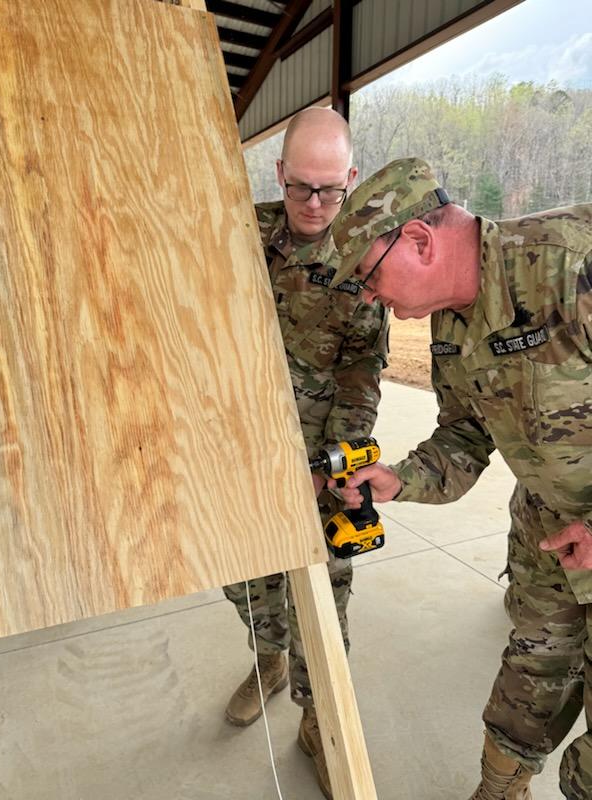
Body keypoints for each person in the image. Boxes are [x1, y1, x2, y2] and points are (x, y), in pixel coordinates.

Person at [327, 156, 592, 800]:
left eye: (367, 274)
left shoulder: (569, 260)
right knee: (531, 674)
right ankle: (500, 790)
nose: (367, 296)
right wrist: (399, 480)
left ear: (418, 241)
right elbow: (465, 437)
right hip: (547, 536)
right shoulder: (450, 324)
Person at [222, 108, 388, 799]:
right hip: (238, 450)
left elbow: (361, 377)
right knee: (241, 577)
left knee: (326, 602)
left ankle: (319, 719)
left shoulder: (364, 258)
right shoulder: (237, 231)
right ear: (280, 173)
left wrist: (335, 467)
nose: (315, 206)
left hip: (320, 459)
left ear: (350, 179)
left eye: (330, 190)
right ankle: (267, 657)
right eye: (301, 189)